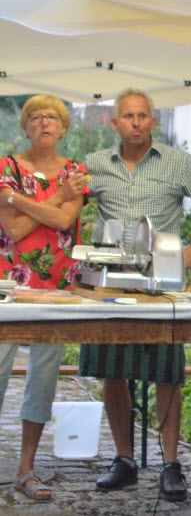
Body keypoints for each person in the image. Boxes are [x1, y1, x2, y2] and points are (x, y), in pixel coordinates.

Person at [80, 87, 191, 502]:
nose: (136, 123)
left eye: (142, 115)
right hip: (111, 284)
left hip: (161, 284)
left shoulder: (179, 162)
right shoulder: (93, 165)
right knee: (112, 370)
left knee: (166, 372)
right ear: (114, 123)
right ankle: (124, 461)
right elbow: (70, 206)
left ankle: (170, 464)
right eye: (128, 116)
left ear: (154, 120)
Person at [0, 95, 88, 502]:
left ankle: (26, 470)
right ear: (25, 127)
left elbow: (65, 219)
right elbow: (14, 231)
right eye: (35, 117)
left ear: (64, 127)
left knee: (43, 379)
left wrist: (19, 200)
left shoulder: (75, 172)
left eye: (52, 117)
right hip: (8, 287)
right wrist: (55, 197)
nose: (44, 123)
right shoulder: (7, 167)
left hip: (57, 290)